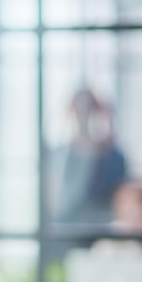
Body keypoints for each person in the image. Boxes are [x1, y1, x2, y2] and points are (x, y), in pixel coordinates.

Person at [49, 88, 128, 225]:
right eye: (79, 108)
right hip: (66, 228)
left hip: (100, 229)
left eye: (89, 108)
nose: (83, 114)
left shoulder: (113, 157)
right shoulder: (59, 154)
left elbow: (120, 197)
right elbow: (56, 199)